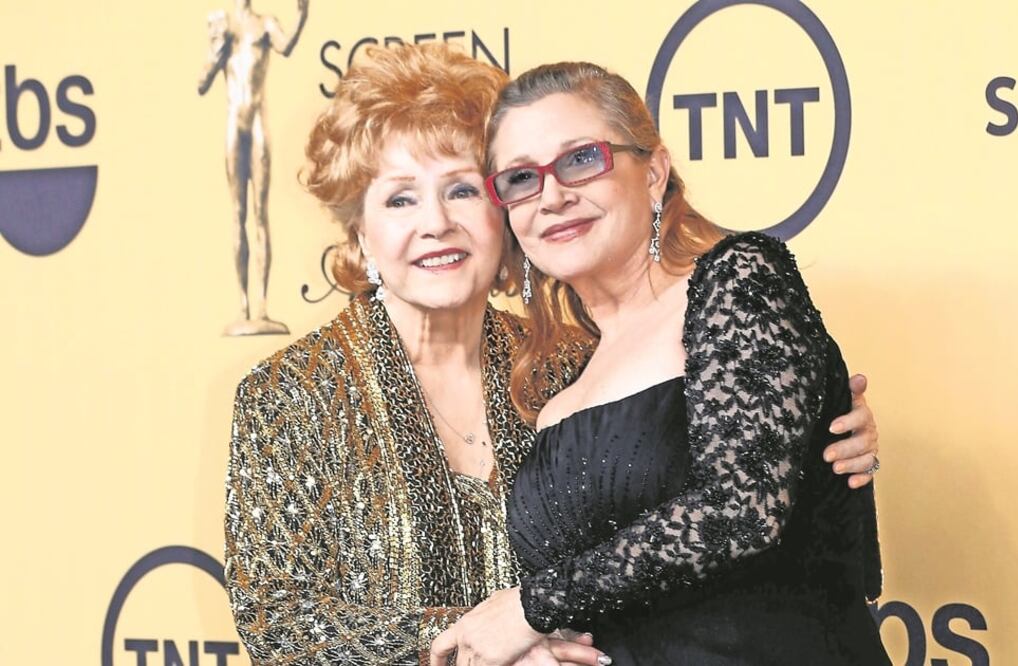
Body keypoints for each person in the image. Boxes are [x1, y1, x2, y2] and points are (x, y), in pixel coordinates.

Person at [224, 45, 881, 666]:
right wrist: (483, 640)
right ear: (358, 232)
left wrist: (824, 437)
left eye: (461, 190)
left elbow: (724, 495)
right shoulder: (292, 393)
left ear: (500, 216)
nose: (435, 223)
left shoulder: (565, 360)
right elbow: (276, 616)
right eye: (399, 198)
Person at [432, 62, 888, 665]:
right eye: (521, 178)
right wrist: (546, 644)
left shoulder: (737, 280)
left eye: (581, 159)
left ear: (653, 173)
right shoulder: (559, 386)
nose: (553, 195)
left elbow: (741, 511)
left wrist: (530, 609)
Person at [198, 0, 308, 336]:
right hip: (235, 125)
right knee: (238, 213)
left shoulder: (265, 24)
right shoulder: (223, 29)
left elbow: (286, 46)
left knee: (260, 214)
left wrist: (302, 15)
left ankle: (261, 307)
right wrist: (216, 52)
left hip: (258, 122)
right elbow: (202, 83)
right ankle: (243, 306)